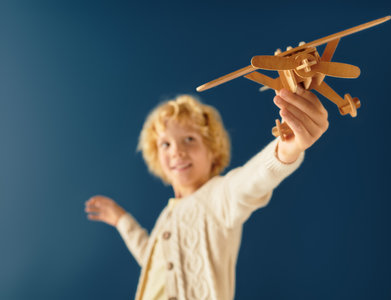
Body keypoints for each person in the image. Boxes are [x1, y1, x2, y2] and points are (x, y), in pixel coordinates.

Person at [84, 86, 329, 300]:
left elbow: (250, 180)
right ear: (155, 156)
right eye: (165, 144)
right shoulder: (168, 215)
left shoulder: (218, 197)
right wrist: (121, 220)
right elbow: (152, 259)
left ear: (212, 150)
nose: (177, 151)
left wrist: (287, 149)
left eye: (189, 139)